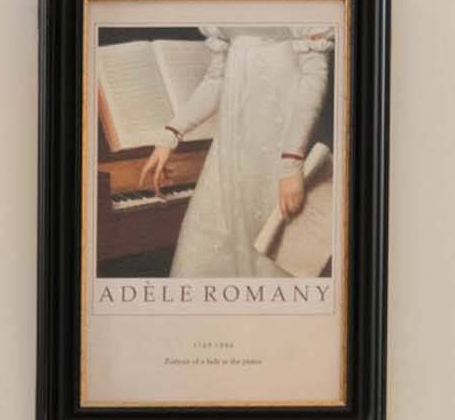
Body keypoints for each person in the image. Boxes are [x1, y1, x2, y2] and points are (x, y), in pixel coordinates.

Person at [137, 22, 333, 279]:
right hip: (229, 149)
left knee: (269, 256)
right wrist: (171, 133)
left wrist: (291, 161)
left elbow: (315, 76)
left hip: (278, 146)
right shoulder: (219, 7)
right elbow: (217, 78)